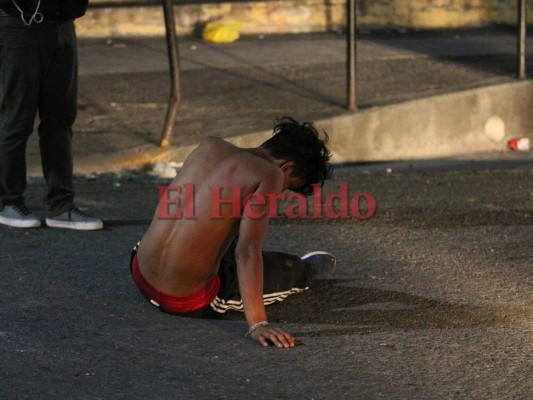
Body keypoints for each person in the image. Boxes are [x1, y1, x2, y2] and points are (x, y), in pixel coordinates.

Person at [130, 117, 335, 349]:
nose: (281, 190)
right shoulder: (271, 174)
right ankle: (303, 271)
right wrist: (258, 324)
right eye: (288, 186)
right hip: (185, 299)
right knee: (286, 267)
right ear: (286, 167)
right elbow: (247, 251)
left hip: (140, 269)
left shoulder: (210, 146)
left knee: (216, 219)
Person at [0, 0, 103, 230]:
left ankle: (62, 205)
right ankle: (8, 202)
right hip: (19, 22)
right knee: (17, 118)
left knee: (60, 120)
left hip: (62, 23)